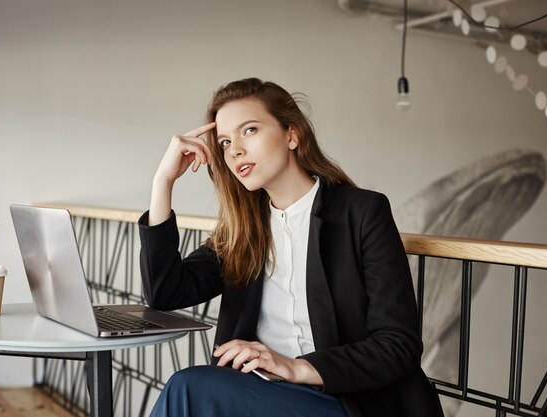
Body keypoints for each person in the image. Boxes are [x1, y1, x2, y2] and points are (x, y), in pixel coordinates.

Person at [138, 78, 444, 417]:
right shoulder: (243, 230)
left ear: (292, 134)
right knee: (193, 389)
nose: (234, 150)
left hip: (348, 401)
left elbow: (398, 345)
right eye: (224, 142)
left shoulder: (361, 212)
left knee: (189, 387)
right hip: (263, 393)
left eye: (249, 130)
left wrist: (294, 367)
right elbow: (165, 292)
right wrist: (162, 182)